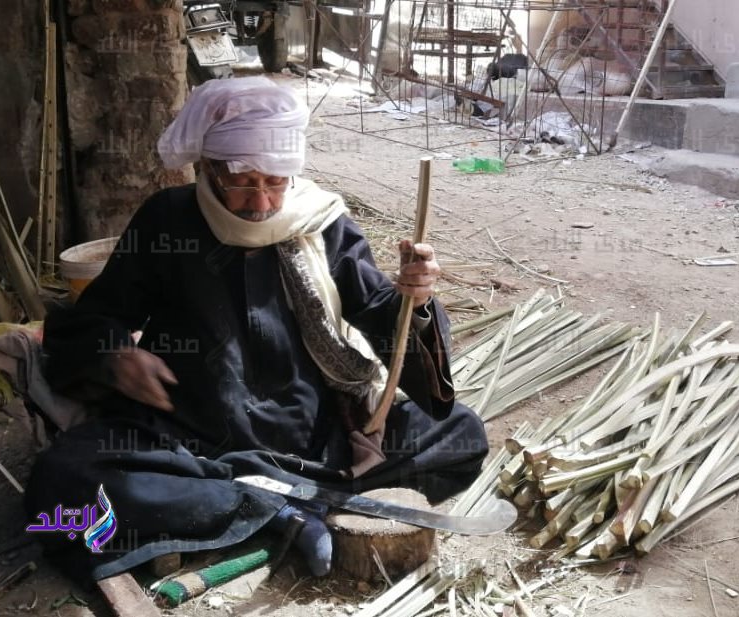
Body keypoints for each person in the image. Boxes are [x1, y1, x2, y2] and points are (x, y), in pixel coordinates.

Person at [26, 76, 489, 583]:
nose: (262, 203)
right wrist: (115, 354)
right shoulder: (169, 220)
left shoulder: (320, 219)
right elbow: (98, 315)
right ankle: (282, 510)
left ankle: (268, 502)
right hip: (194, 432)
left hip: (314, 432)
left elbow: (379, 313)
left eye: (275, 182)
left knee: (460, 433)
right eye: (243, 182)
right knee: (66, 482)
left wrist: (414, 301)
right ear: (207, 169)